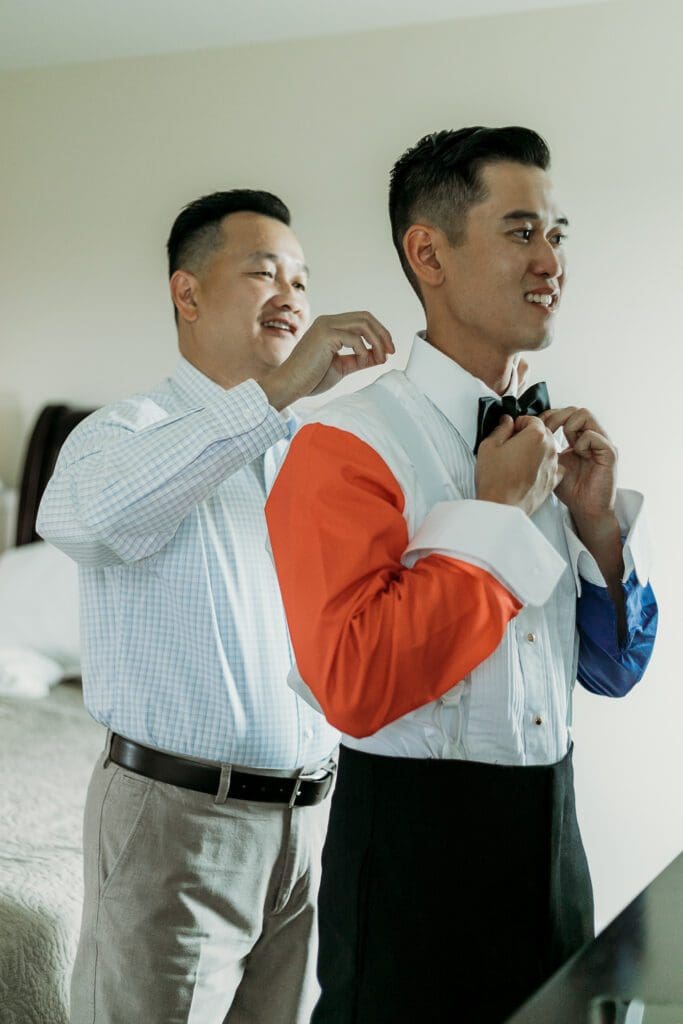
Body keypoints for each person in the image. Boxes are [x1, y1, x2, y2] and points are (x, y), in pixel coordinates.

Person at [265, 128, 658, 1024]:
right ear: (427, 251)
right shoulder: (342, 444)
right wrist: (494, 522)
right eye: (522, 232)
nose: (550, 260)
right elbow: (356, 684)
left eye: (558, 234)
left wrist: (595, 530)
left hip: (555, 847)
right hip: (411, 866)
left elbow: (612, 670)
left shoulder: (552, 444)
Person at [36, 188, 394, 1024]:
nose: (293, 296)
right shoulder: (121, 433)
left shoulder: (313, 453)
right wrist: (273, 399)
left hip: (310, 828)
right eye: (264, 271)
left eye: (302, 279)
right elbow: (89, 520)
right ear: (187, 293)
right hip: (177, 826)